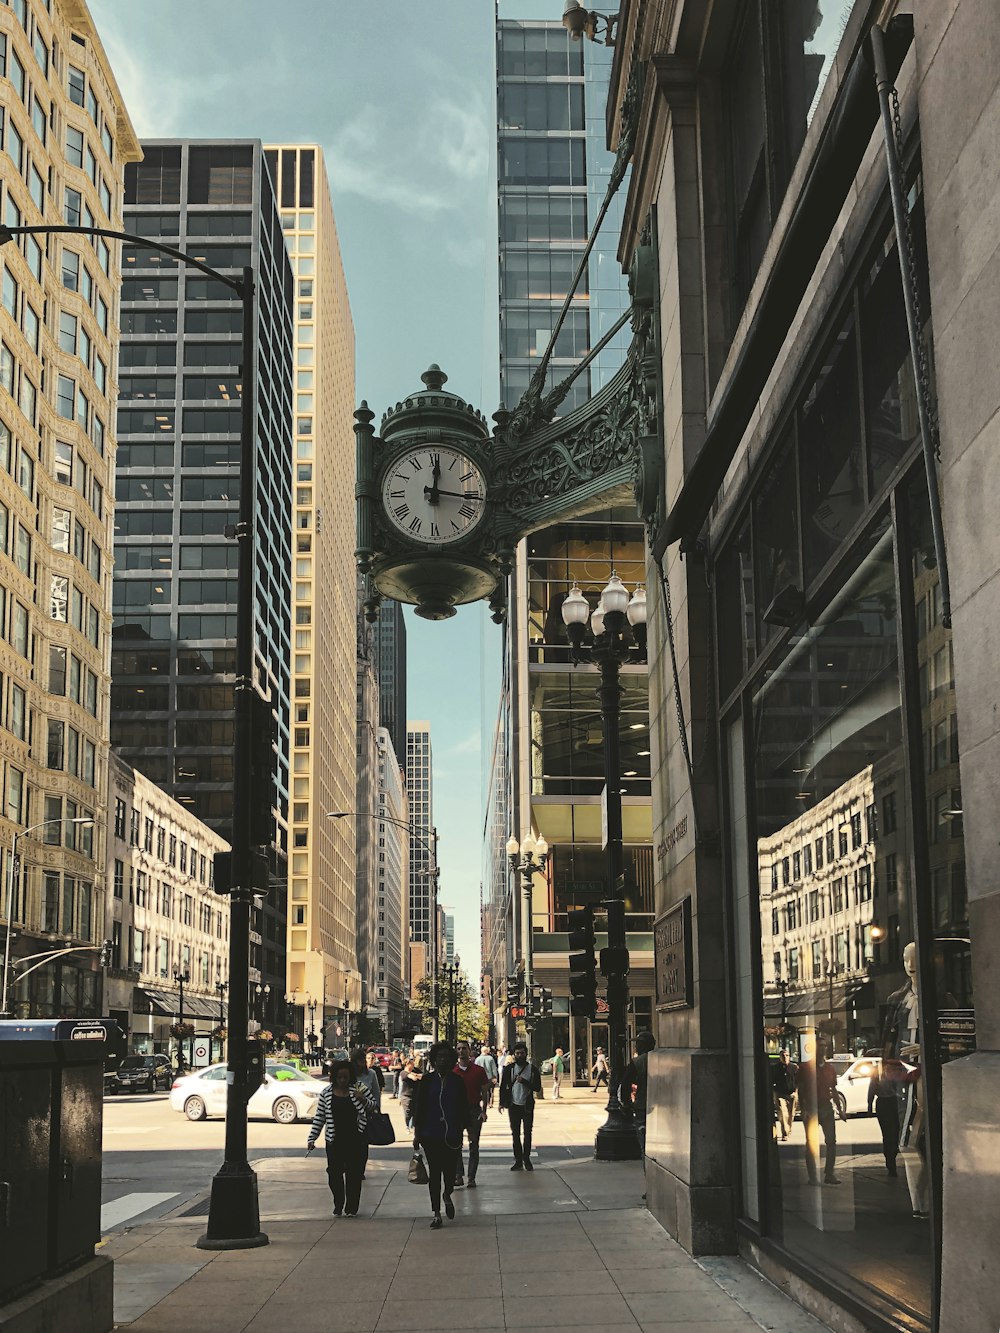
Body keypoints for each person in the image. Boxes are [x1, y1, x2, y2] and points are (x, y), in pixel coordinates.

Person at [306, 1058, 374, 1216]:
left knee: (354, 1175)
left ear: (351, 1076)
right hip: (334, 1141)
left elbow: (373, 1107)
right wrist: (312, 1138)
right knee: (333, 1174)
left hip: (356, 1140)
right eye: (339, 1077)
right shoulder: (326, 1094)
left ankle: (351, 1207)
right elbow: (320, 1118)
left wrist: (363, 1099)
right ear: (334, 1077)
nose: (342, 1080)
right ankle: (338, 1202)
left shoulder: (359, 1089)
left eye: (346, 1077)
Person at [412, 1041, 468, 1229]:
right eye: (439, 1057)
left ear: (451, 1060)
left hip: (451, 1134)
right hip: (430, 1134)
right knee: (435, 1173)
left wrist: (466, 1129)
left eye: (446, 1057)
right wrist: (417, 1133)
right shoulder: (427, 1081)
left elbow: (463, 1108)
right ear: (434, 1060)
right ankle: (436, 1212)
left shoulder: (457, 1081)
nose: (442, 1060)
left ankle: (447, 1194)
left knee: (450, 1173)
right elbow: (419, 1108)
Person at [797, 1037, 838, 1185]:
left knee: (831, 1142)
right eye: (820, 1046)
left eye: (824, 1046)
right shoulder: (805, 1068)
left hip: (826, 1108)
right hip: (812, 1109)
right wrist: (803, 1109)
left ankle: (829, 1174)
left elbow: (833, 1089)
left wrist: (839, 1109)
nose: (823, 1049)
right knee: (811, 1143)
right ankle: (813, 1177)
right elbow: (801, 1090)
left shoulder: (830, 1068)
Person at [499, 1041, 542, 1170]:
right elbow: (503, 1087)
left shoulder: (532, 1070)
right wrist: (501, 1103)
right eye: (517, 1053)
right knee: (515, 1133)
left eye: (522, 1053)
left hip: (527, 1105)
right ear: (514, 1055)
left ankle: (526, 1159)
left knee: (528, 1133)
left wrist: (524, 1081)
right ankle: (518, 1160)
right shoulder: (509, 1069)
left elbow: (537, 1087)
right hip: (513, 1105)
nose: (519, 1055)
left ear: (526, 1054)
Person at [453, 1040, 490, 1189]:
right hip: (457, 1111)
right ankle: (458, 1175)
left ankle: (471, 1177)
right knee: (456, 1145)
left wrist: (484, 1111)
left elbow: (485, 1091)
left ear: (469, 1051)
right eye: (459, 1049)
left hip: (474, 1109)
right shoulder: (453, 1071)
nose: (461, 1051)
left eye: (464, 1049)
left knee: (474, 1145)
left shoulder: (478, 1070)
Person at [771, 1049, 798, 1141]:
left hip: (792, 1094)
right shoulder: (776, 1068)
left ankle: (788, 1130)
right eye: (783, 1056)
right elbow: (772, 1081)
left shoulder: (794, 1067)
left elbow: (798, 1081)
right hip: (780, 1094)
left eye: (787, 1055)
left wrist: (796, 1092)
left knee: (791, 1114)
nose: (785, 1057)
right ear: (780, 1057)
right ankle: (785, 1133)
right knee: (782, 1113)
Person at [399, 1056, 422, 1129]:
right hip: (406, 1096)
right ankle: (407, 1126)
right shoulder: (403, 1073)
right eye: (412, 1064)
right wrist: (414, 1075)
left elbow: (423, 1076)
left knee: (416, 1112)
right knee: (408, 1113)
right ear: (407, 1064)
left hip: (416, 1095)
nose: (413, 1065)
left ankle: (414, 1126)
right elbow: (412, 1078)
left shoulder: (416, 1070)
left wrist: (415, 1074)